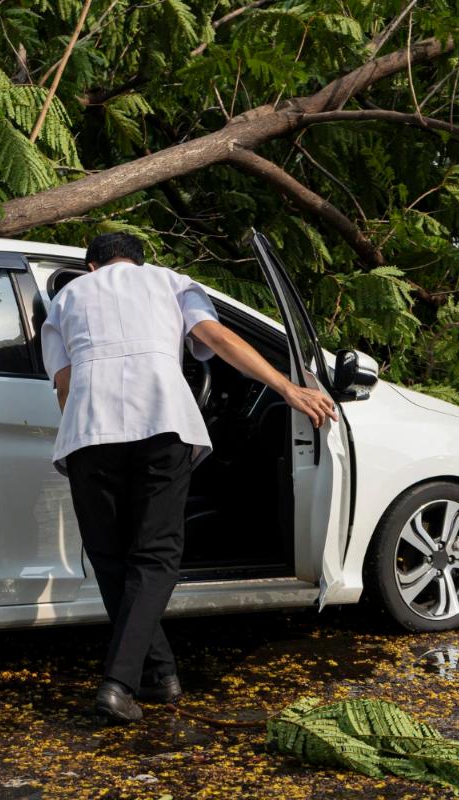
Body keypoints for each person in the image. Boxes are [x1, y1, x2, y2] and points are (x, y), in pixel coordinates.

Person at [40, 232, 337, 724]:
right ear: (139, 261)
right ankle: (119, 684)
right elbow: (218, 340)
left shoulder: (67, 297)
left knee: (111, 557)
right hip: (163, 423)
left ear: (91, 267)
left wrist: (77, 433)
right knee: (155, 555)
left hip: (90, 432)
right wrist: (288, 387)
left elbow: (65, 384)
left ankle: (159, 674)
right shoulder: (170, 282)